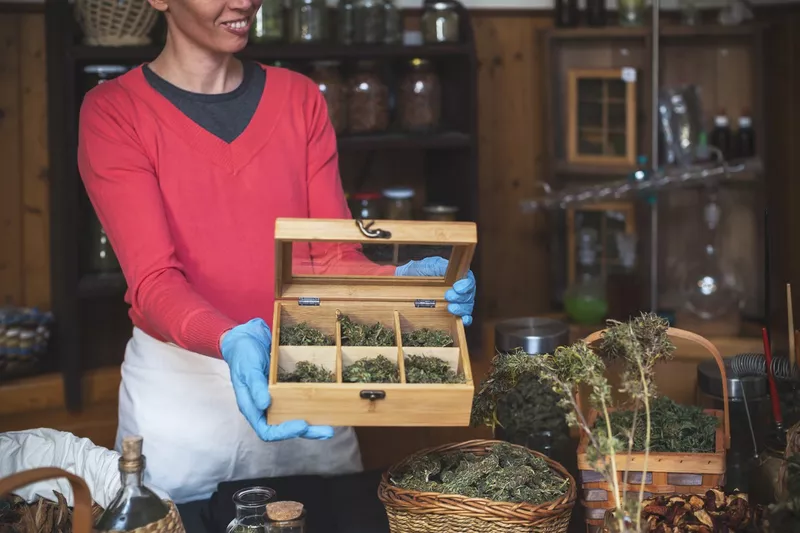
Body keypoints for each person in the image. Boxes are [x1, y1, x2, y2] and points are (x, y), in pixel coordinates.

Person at [76, 0, 476, 504]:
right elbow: (154, 279)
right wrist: (227, 337)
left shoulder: (299, 98)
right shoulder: (115, 111)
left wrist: (409, 283)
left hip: (310, 376)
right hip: (181, 401)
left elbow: (331, 260)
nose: (243, 3)